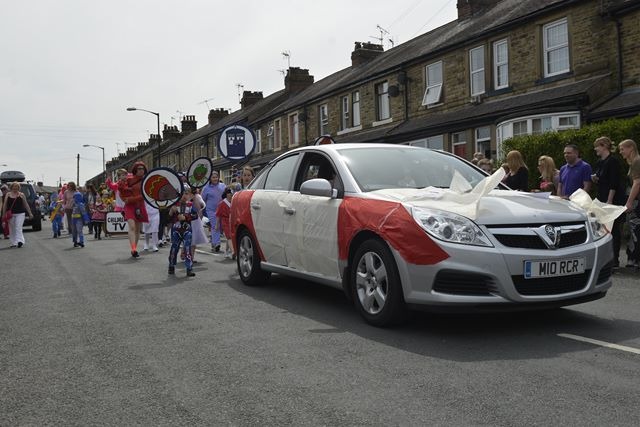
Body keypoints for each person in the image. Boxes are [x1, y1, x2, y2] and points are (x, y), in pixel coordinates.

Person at [592, 136, 626, 268]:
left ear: (604, 146)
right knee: (602, 229)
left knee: (614, 229)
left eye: (597, 146)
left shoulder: (613, 161)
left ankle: (614, 260)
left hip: (611, 199)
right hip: (601, 198)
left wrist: (609, 200)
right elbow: (601, 178)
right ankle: (605, 258)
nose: (595, 149)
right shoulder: (600, 162)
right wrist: (595, 179)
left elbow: (614, 182)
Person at [118, 162, 149, 258]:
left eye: (142, 168)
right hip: (129, 206)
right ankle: (133, 249)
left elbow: (145, 195)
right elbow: (121, 191)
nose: (141, 170)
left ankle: (134, 248)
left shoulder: (146, 181)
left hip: (139, 205)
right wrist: (124, 198)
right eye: (139, 168)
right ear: (135, 169)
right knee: (132, 226)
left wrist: (131, 199)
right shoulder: (129, 179)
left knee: (137, 230)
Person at [618, 139, 640, 270]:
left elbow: (637, 183)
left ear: (631, 148)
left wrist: (629, 202)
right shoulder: (633, 162)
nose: (620, 152)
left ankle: (635, 259)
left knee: (635, 229)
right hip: (635, 200)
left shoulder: (637, 161)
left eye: (622, 149)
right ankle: (633, 258)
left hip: (636, 202)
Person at [168, 188, 198, 277]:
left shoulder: (191, 205)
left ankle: (189, 268)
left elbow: (195, 215)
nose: (184, 196)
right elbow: (167, 219)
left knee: (187, 248)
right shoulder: (174, 205)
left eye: (186, 193)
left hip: (187, 230)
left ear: (189, 195)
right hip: (176, 230)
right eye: (182, 193)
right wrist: (170, 211)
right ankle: (171, 265)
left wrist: (186, 217)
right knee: (174, 248)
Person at [1, 181, 33, 248]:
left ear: (19, 188)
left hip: (20, 213)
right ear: (11, 187)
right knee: (12, 228)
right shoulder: (8, 194)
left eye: (17, 187)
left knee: (18, 227)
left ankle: (20, 241)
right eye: (14, 187)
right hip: (11, 214)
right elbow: (5, 205)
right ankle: (13, 242)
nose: (15, 188)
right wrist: (3, 215)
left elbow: (26, 204)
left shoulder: (21, 194)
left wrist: (30, 213)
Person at [201, 171, 226, 252]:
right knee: (215, 225)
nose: (215, 179)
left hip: (221, 209)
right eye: (213, 177)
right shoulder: (206, 188)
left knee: (221, 226)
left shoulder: (222, 186)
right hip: (211, 210)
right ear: (210, 179)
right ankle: (216, 243)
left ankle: (213, 240)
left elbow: (226, 196)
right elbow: (203, 199)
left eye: (216, 177)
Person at [189, 187, 208, 262]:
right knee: (190, 240)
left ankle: (191, 257)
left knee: (192, 240)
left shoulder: (196, 197)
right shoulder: (191, 197)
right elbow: (200, 209)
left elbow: (200, 208)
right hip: (190, 221)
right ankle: (189, 256)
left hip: (194, 220)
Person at [215, 187, 234, 258]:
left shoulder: (234, 202)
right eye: (229, 193)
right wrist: (217, 225)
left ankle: (227, 251)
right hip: (225, 221)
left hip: (232, 221)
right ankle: (233, 251)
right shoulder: (222, 203)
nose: (231, 195)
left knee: (230, 237)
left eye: (231, 193)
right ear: (226, 194)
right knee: (229, 237)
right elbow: (218, 215)